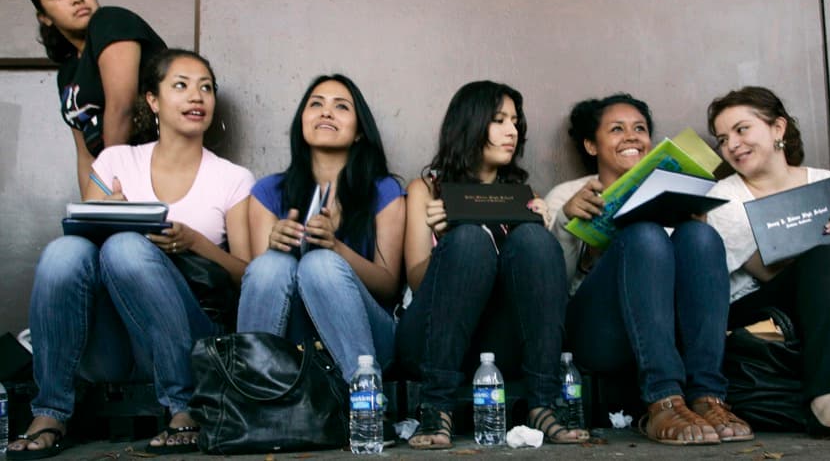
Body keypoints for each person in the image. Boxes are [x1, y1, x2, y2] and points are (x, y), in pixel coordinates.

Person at [8, 49, 254, 459]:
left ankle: (183, 407)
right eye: (181, 85)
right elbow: (80, 255)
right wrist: (108, 216)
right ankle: (50, 411)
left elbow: (245, 274)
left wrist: (196, 242)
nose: (197, 96)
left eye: (206, 88)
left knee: (126, 246)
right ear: (153, 101)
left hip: (187, 338)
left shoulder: (232, 178)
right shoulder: (117, 161)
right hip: (111, 347)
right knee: (63, 252)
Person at [545, 94, 753, 445]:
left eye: (639, 128)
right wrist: (568, 224)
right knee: (643, 234)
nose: (631, 136)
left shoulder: (674, 193)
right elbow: (552, 291)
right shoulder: (568, 195)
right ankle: (663, 399)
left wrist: (695, 221)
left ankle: (707, 397)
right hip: (599, 334)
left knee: (699, 235)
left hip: (668, 332)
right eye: (616, 129)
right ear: (591, 145)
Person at [396, 80, 589, 449]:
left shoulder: (523, 196)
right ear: (470, 123)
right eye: (499, 120)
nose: (512, 131)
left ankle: (543, 403)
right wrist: (447, 243)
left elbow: (538, 293)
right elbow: (419, 283)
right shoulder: (428, 189)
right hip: (432, 339)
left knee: (535, 240)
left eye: (515, 122)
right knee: (468, 239)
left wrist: (539, 227)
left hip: (500, 345)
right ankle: (436, 406)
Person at [705, 86, 830, 441]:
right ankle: (829, 399)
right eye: (722, 138)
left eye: (741, 129)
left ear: (778, 128)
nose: (732, 144)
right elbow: (769, 270)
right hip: (766, 323)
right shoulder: (724, 196)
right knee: (825, 257)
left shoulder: (826, 182)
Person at [236, 74, 405, 385]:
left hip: (366, 339)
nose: (326, 112)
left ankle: (365, 396)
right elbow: (261, 287)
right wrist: (273, 246)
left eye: (341, 107)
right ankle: (253, 397)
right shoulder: (268, 191)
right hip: (292, 336)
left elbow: (389, 285)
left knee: (320, 263)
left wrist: (336, 249)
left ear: (358, 132)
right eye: (316, 104)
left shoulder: (383, 190)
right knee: (269, 265)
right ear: (302, 122)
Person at [26, 0, 167, 198]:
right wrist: (89, 210)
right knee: (71, 238)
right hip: (111, 185)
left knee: (122, 238)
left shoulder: (110, 21)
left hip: (152, 178)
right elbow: (84, 155)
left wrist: (110, 185)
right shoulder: (67, 73)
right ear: (45, 17)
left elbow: (121, 107)